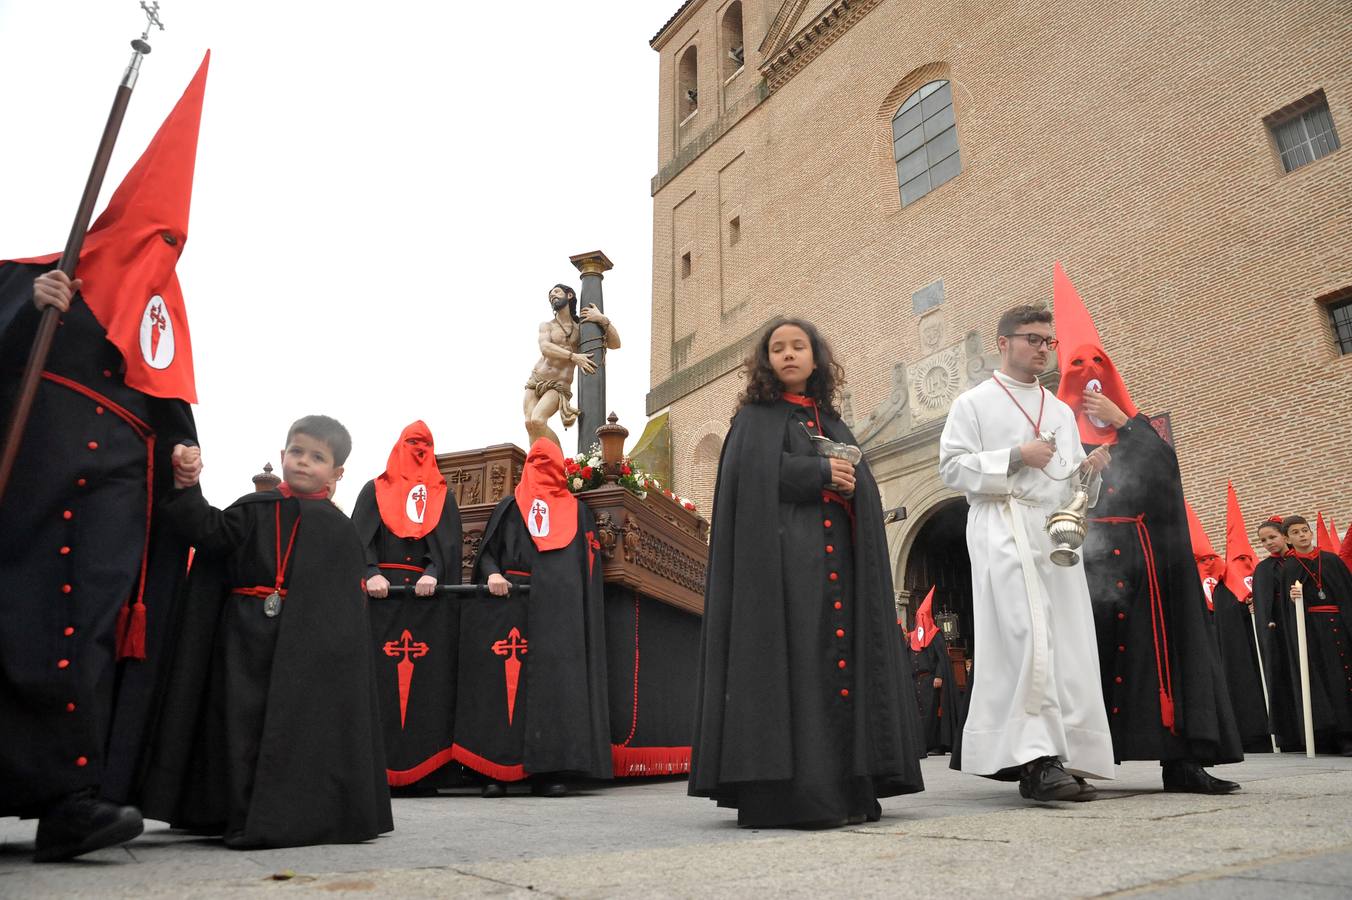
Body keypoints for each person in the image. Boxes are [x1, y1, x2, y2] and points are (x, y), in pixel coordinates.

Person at [0, 56, 211, 862]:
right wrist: (27, 309)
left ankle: (71, 805)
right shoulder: (33, 277)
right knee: (11, 629)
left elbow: (170, 401)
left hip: (111, 513)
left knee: (87, 643)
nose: (164, 251)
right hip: (29, 492)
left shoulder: (162, 315)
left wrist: (185, 451)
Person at [691, 318, 924, 828]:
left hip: (838, 565)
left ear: (816, 358)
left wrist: (851, 484)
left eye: (799, 346)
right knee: (796, 669)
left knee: (836, 669)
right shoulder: (753, 420)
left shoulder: (832, 422)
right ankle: (791, 795)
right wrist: (816, 472)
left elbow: (862, 485)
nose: (789, 354)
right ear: (767, 361)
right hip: (782, 576)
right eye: (778, 348)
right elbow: (746, 483)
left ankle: (848, 788)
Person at [138, 416, 393, 848]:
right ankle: (235, 814)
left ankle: (290, 814)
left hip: (306, 655)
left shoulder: (340, 530)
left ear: (336, 473)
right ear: (282, 455)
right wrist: (186, 486)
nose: (303, 462)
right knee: (237, 729)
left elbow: (344, 611)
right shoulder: (253, 509)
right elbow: (209, 532)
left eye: (317, 457)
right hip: (241, 641)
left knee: (293, 735)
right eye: (297, 452)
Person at [1052, 264, 1242, 792]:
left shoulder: (1141, 426)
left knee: (1160, 657)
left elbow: (1166, 477)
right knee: (1081, 660)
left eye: (1098, 362)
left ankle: (1181, 761)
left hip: (1147, 567)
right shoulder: (1053, 427)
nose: (1089, 370)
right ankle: (1074, 765)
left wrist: (1125, 422)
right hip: (1084, 562)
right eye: (1077, 363)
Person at [940, 302, 1113, 802]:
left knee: (1067, 639)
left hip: (1053, 531)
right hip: (1003, 523)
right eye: (1032, 339)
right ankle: (1035, 761)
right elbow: (951, 469)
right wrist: (1015, 456)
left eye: (1048, 341)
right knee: (1026, 637)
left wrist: (1090, 473)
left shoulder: (1059, 409)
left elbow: (1067, 482)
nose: (1042, 349)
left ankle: (1065, 753)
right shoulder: (972, 403)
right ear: (1004, 342)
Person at [460, 437, 612, 797]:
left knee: (554, 692)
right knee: (504, 691)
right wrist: (494, 573)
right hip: (510, 609)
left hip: (559, 616)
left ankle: (551, 770)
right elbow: (488, 554)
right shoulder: (510, 506)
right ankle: (497, 771)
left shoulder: (577, 512)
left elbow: (585, 570)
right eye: (537, 463)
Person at [353, 421, 463, 793]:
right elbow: (360, 540)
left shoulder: (442, 495)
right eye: (412, 442)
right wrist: (370, 573)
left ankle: (423, 770)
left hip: (423, 605)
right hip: (380, 604)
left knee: (426, 690)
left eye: (426, 444)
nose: (419, 449)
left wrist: (433, 572)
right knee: (375, 687)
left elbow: (447, 546)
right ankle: (374, 769)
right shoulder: (374, 490)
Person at [1277, 516, 1352, 755]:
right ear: (1288, 539)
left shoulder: (1331, 560)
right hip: (1314, 632)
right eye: (1296, 533)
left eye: (1305, 530)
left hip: (1340, 623)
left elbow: (1347, 592)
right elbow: (1288, 609)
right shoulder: (1289, 568)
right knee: (1330, 680)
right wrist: (1293, 599)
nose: (1302, 535)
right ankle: (1342, 736)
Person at [523, 284, 620, 446]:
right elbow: (545, 348)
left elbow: (616, 344)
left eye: (556, 292)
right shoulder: (547, 326)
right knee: (529, 425)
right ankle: (537, 467)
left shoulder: (580, 329)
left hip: (558, 386)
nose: (552, 295)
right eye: (550, 295)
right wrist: (573, 356)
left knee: (538, 421)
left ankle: (559, 463)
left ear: (569, 295)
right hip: (536, 380)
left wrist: (602, 319)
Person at [1253, 518, 1300, 749]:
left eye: (1272, 537)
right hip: (1280, 630)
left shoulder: (1299, 561)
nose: (1269, 543)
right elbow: (1264, 603)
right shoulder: (1263, 569)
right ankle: (1292, 736)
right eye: (1263, 541)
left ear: (1284, 536)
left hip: (1302, 624)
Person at [906, 588, 961, 756]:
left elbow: (941, 659)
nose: (920, 620)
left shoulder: (935, 635)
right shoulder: (912, 636)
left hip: (930, 680)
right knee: (918, 712)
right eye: (918, 617)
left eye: (923, 616)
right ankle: (921, 744)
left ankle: (935, 744)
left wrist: (938, 676)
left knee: (931, 713)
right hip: (915, 682)